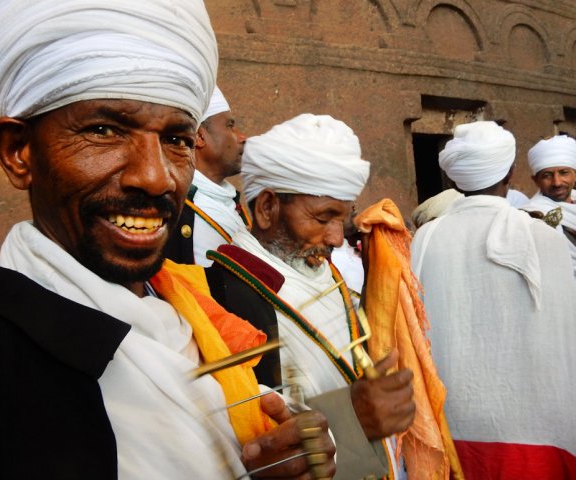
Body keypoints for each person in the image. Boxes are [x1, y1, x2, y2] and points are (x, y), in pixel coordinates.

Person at [0, 2, 337, 479]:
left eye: (177, 140)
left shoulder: (216, 308)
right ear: (18, 152)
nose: (156, 178)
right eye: (104, 130)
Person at [204, 113, 416, 479]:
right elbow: (248, 441)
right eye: (322, 218)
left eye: (342, 218)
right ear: (268, 207)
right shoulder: (228, 293)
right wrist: (353, 419)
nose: (337, 238)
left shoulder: (320, 269)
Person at [411, 121, 576, 478]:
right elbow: (566, 338)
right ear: (512, 173)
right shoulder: (542, 235)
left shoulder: (425, 238)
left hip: (451, 428)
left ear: (454, 181)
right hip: (536, 428)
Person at [163, 85, 251, 266]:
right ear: (199, 137)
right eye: (230, 126)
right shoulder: (175, 206)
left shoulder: (230, 203)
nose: (242, 137)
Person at [522, 134, 576, 278]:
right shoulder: (531, 215)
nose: (557, 182)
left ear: (575, 175)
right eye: (547, 175)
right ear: (535, 180)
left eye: (564, 173)